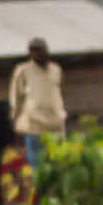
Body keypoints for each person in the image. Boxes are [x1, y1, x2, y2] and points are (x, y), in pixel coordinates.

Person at [7, 36, 68, 195]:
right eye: (33, 51)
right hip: (34, 126)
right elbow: (16, 98)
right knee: (37, 170)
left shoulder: (56, 69)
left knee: (59, 168)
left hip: (56, 126)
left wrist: (62, 114)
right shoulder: (23, 71)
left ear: (46, 51)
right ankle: (42, 198)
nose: (36, 54)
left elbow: (58, 94)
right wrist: (15, 120)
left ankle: (57, 197)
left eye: (39, 50)